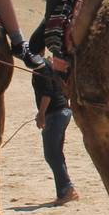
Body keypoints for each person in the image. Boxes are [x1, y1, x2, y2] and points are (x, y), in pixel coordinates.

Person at [32, 71, 78, 205]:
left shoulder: (40, 67)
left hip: (55, 114)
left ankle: (68, 190)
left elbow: (47, 94)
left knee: (51, 154)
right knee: (56, 153)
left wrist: (41, 114)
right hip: (63, 111)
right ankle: (64, 191)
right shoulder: (50, 66)